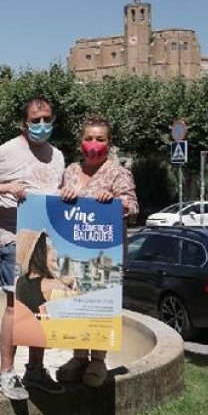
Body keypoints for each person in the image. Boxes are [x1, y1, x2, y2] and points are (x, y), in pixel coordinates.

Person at [0, 96, 66, 399]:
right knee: (15, 306)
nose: (42, 125)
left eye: (47, 119)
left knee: (40, 305)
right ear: (24, 123)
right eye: (35, 120)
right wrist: (5, 188)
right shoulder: (5, 152)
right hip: (14, 239)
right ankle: (6, 373)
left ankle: (35, 370)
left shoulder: (57, 156)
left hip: (46, 243)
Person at [55, 115, 139, 387]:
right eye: (89, 138)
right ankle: (79, 357)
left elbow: (132, 206)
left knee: (100, 305)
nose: (94, 144)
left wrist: (115, 201)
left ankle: (98, 360)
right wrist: (63, 195)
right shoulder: (70, 170)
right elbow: (58, 204)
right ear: (81, 142)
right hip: (74, 249)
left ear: (108, 143)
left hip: (105, 253)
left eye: (100, 139)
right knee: (76, 303)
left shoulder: (118, 173)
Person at [14, 231, 77, 317]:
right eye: (48, 249)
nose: (55, 251)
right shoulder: (56, 286)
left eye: (52, 247)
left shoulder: (20, 282)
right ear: (37, 256)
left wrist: (61, 280)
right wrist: (70, 284)